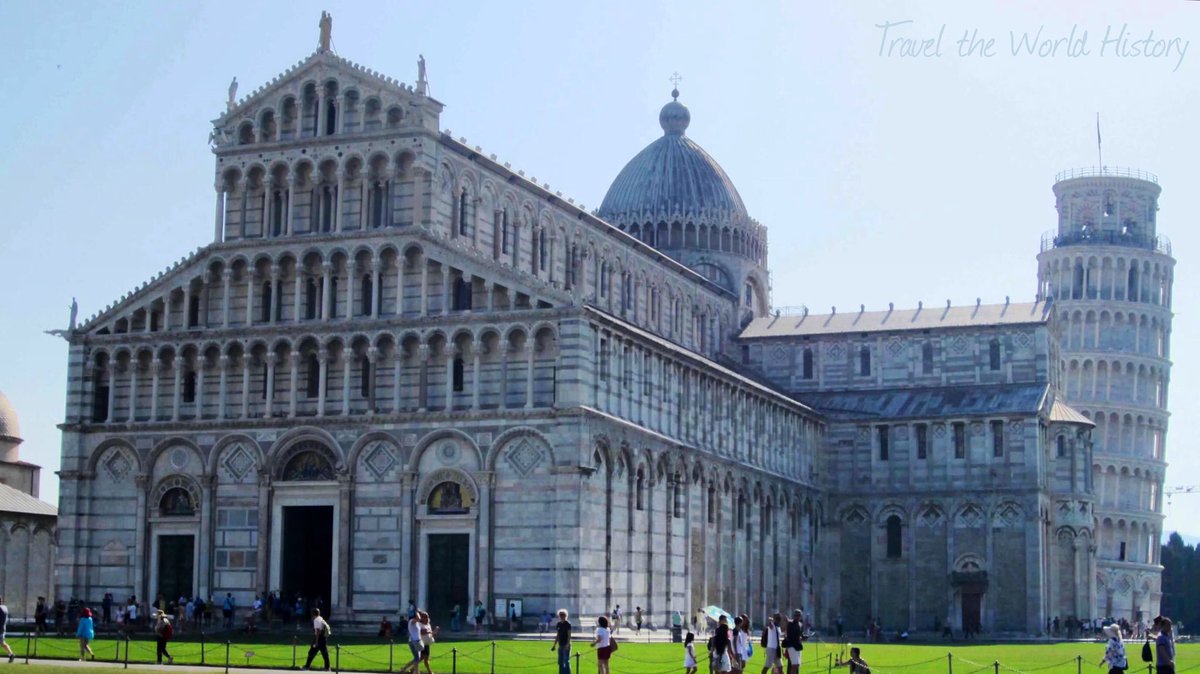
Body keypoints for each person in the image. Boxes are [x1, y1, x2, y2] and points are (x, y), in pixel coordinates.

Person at [398, 609, 424, 674]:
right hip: (414, 641)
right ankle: (415, 672)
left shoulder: (417, 623)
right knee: (417, 658)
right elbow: (418, 618)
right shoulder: (412, 621)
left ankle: (405, 668)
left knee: (416, 658)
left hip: (416, 641)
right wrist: (417, 612)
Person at [782, 610, 804, 674]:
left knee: (797, 665)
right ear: (794, 616)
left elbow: (800, 635)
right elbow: (790, 635)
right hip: (792, 646)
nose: (797, 617)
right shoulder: (790, 624)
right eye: (796, 615)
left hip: (798, 646)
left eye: (799, 615)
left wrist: (803, 637)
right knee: (794, 665)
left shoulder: (800, 624)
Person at [551, 609, 572, 674]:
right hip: (560, 644)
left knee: (566, 661)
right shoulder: (558, 624)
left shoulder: (568, 624)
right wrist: (554, 645)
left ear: (566, 615)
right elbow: (558, 635)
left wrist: (567, 644)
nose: (562, 616)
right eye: (560, 615)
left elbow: (569, 635)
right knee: (560, 662)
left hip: (566, 644)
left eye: (563, 615)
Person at [0, 596, 13, 663]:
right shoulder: (4, 607)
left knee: (2, 643)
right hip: (3, 628)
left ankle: (11, 655)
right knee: (2, 643)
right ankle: (11, 655)